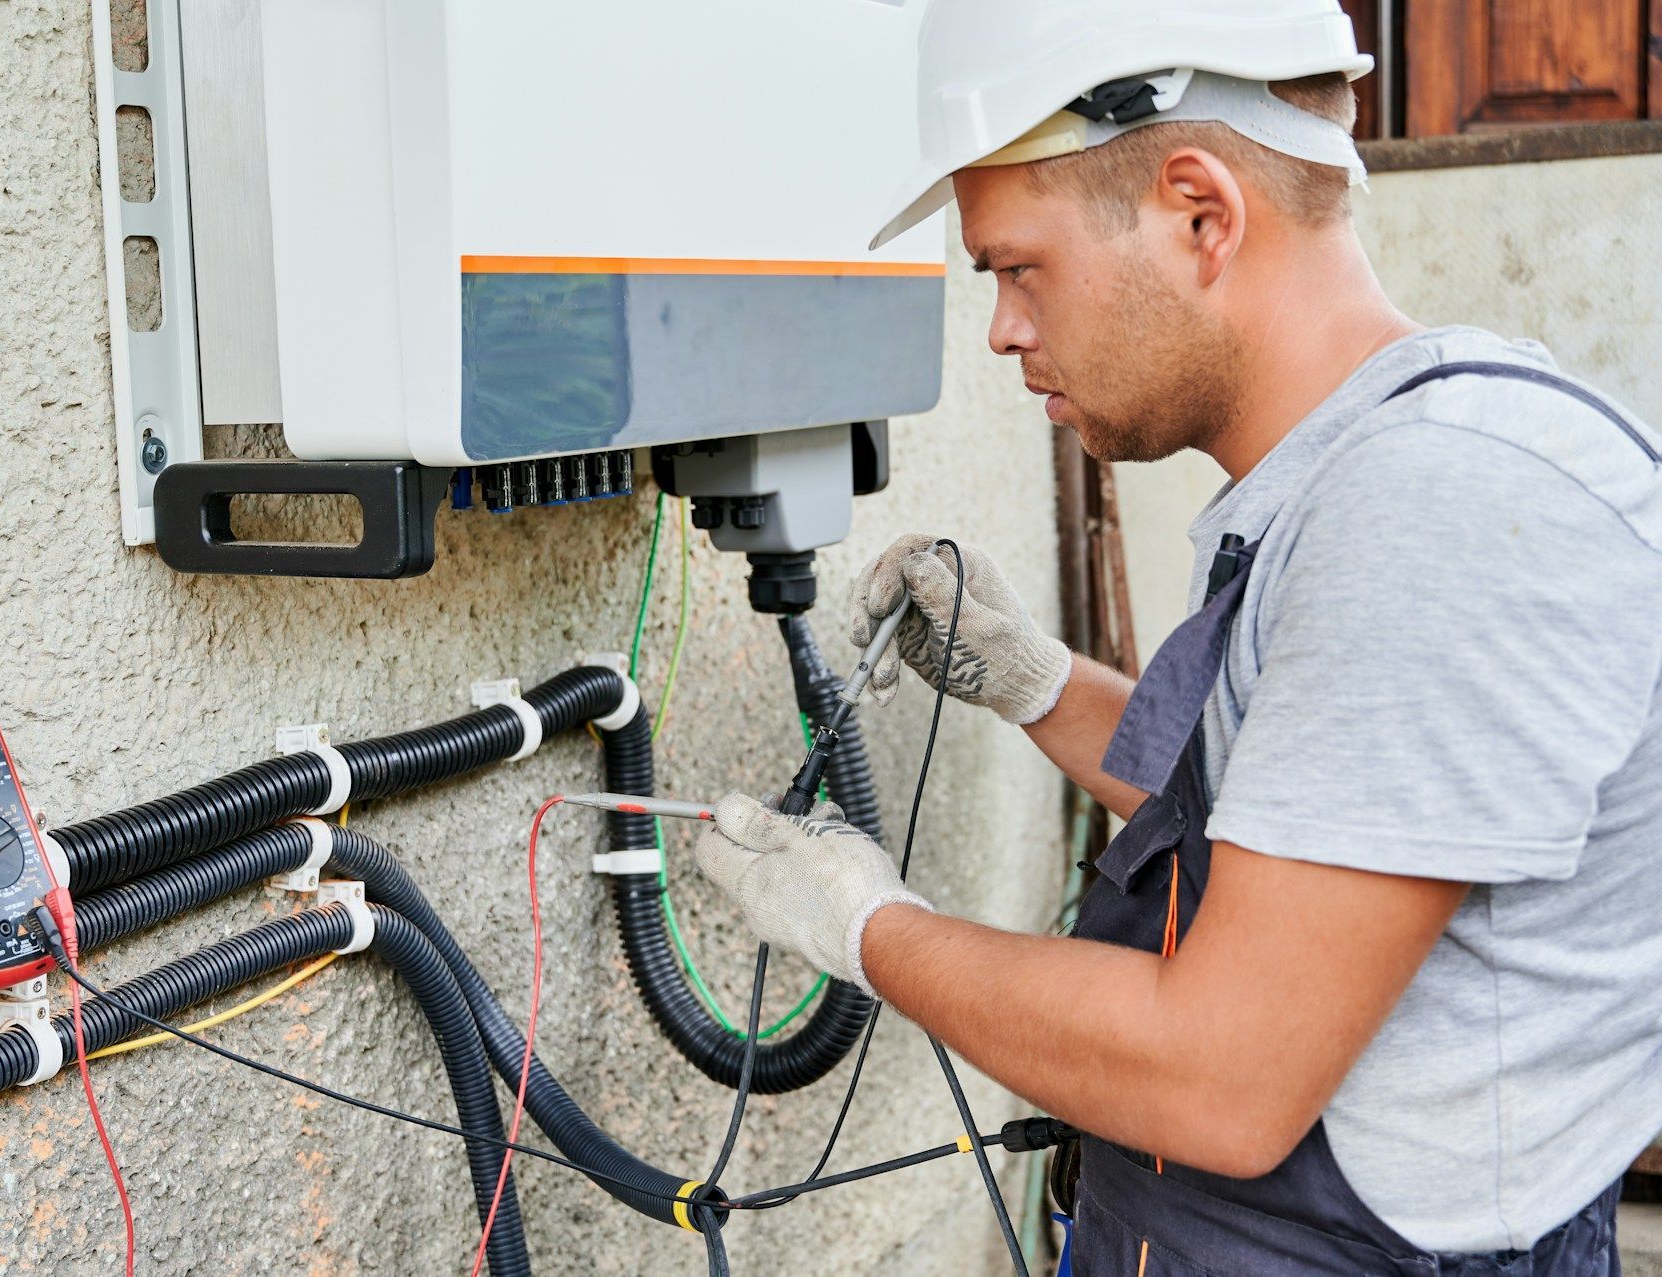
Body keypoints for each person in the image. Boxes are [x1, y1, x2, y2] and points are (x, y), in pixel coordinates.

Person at [692, 2, 1662, 1273]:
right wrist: (1034, 680)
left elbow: (1221, 1077)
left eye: (1017, 265)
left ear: (1200, 212)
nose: (1000, 329)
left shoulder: (1438, 509)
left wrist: (867, 925)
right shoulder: (1346, 473)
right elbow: (1297, 816)